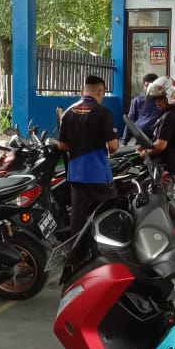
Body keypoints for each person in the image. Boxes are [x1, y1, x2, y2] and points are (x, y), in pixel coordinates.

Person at [58, 75, 120, 233]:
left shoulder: (68, 113)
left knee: (78, 216)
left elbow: (62, 145)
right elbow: (113, 146)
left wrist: (78, 146)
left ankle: (77, 247)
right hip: (98, 173)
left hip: (76, 173)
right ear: (100, 92)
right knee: (110, 210)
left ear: (83, 91)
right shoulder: (103, 112)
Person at [140, 76, 175, 196]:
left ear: (170, 97)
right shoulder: (173, 113)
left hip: (166, 168)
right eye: (156, 99)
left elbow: (160, 146)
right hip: (168, 166)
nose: (157, 102)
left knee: (162, 201)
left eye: (160, 99)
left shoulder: (170, 116)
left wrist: (143, 154)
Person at [121, 72, 161, 144]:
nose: (149, 88)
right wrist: (125, 140)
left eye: (152, 85)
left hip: (158, 137)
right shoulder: (137, 100)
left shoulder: (162, 101)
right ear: (143, 86)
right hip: (141, 137)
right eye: (146, 85)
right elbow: (130, 120)